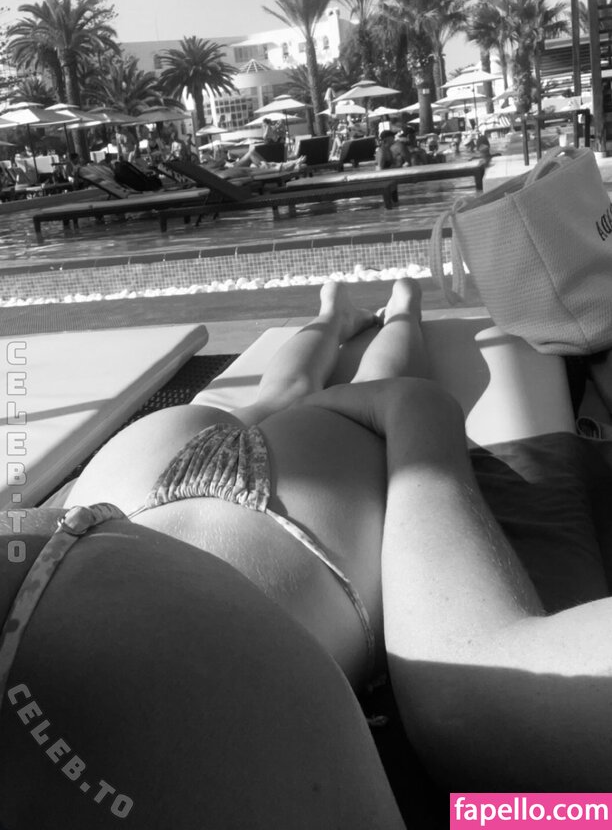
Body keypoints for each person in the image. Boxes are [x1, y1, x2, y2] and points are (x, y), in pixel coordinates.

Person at [1, 280, 611, 825]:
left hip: (134, 511)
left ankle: (353, 311)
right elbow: (475, 710)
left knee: (289, 391)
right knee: (335, 394)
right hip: (158, 508)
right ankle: (380, 310)